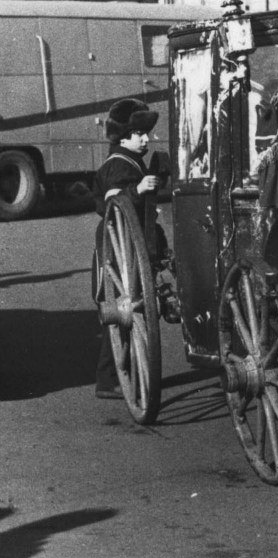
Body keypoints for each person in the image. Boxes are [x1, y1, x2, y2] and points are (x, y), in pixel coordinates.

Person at [91, 99, 174, 399]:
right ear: (123, 137)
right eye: (140, 133)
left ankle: (122, 374)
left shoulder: (129, 160)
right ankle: (109, 380)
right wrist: (137, 190)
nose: (146, 139)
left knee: (128, 314)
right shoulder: (117, 165)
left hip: (130, 244)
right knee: (122, 313)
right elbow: (112, 204)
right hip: (119, 248)